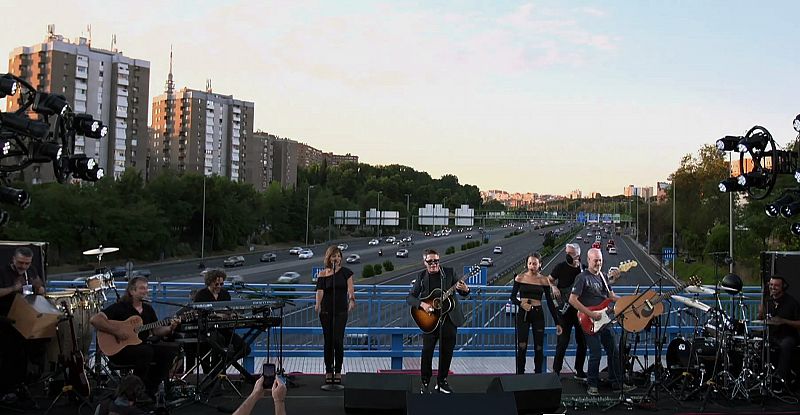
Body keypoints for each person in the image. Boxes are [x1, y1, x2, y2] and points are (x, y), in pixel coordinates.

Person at [90, 276, 179, 397]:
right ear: (132, 291)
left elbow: (156, 331)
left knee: (169, 351)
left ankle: (150, 389)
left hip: (140, 347)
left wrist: (170, 328)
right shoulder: (120, 307)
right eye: (142, 288)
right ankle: (133, 391)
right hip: (120, 351)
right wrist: (117, 332)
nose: (145, 291)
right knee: (146, 351)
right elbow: (95, 320)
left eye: (146, 288)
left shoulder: (148, 309)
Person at [568, 248, 633, 396]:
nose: (598, 263)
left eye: (600, 260)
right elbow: (572, 299)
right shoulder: (582, 277)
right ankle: (592, 384)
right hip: (588, 321)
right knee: (596, 352)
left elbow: (610, 296)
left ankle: (616, 382)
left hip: (605, 320)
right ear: (589, 260)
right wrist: (590, 313)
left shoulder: (603, 276)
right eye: (595, 260)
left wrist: (627, 300)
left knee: (614, 351)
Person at [406, 249, 470, 394]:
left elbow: (462, 292)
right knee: (427, 352)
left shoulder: (448, 273)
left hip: (449, 320)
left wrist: (466, 289)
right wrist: (422, 305)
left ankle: (442, 381)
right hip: (429, 321)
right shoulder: (421, 277)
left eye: (436, 261)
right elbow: (410, 298)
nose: (434, 264)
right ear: (425, 263)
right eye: (430, 261)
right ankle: (425, 381)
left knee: (446, 352)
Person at [0, 247, 45, 398]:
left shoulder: (31, 271)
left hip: (27, 315)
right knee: (11, 352)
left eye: (27, 263)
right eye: (20, 263)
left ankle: (27, 379)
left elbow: (41, 290)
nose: (23, 267)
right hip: (6, 316)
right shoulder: (3, 272)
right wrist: (14, 288)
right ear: (13, 259)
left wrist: (39, 288)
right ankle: (8, 387)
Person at [510, 252, 561, 374]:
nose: (532, 266)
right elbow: (512, 297)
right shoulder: (520, 278)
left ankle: (538, 374)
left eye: (534, 263)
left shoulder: (543, 280)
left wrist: (557, 322)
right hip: (523, 314)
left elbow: (550, 302)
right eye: (530, 263)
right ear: (527, 264)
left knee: (539, 347)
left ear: (540, 265)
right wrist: (521, 304)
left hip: (538, 314)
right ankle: (520, 374)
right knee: (522, 346)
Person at [190, 269, 251, 372]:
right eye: (216, 284)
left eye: (221, 284)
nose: (219, 286)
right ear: (209, 283)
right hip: (207, 330)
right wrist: (217, 315)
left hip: (224, 330)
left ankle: (220, 367)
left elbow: (228, 310)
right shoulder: (201, 295)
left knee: (245, 348)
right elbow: (198, 314)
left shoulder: (225, 294)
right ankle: (214, 372)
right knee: (218, 344)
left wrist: (232, 315)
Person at [315, 245, 355, 385]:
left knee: (338, 341)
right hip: (326, 311)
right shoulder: (322, 274)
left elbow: (350, 289)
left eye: (338, 256)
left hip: (340, 311)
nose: (336, 258)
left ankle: (338, 370)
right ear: (329, 258)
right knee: (328, 342)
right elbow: (320, 291)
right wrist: (317, 304)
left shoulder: (346, 273)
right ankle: (328, 371)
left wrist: (351, 300)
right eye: (334, 256)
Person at [550, 243, 588, 380]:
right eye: (566, 252)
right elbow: (549, 280)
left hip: (579, 311)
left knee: (582, 342)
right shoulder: (560, 267)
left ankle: (579, 370)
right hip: (564, 312)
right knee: (562, 342)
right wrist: (553, 287)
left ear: (577, 255)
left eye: (570, 253)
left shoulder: (584, 270)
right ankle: (556, 372)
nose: (567, 255)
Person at [757, 275, 800, 391]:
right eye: (771, 285)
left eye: (776, 285)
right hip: (772, 334)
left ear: (783, 287)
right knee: (757, 342)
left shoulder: (792, 302)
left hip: (787, 335)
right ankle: (760, 376)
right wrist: (760, 313)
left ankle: (780, 379)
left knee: (786, 345)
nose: (773, 287)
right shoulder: (767, 300)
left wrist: (784, 321)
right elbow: (761, 318)